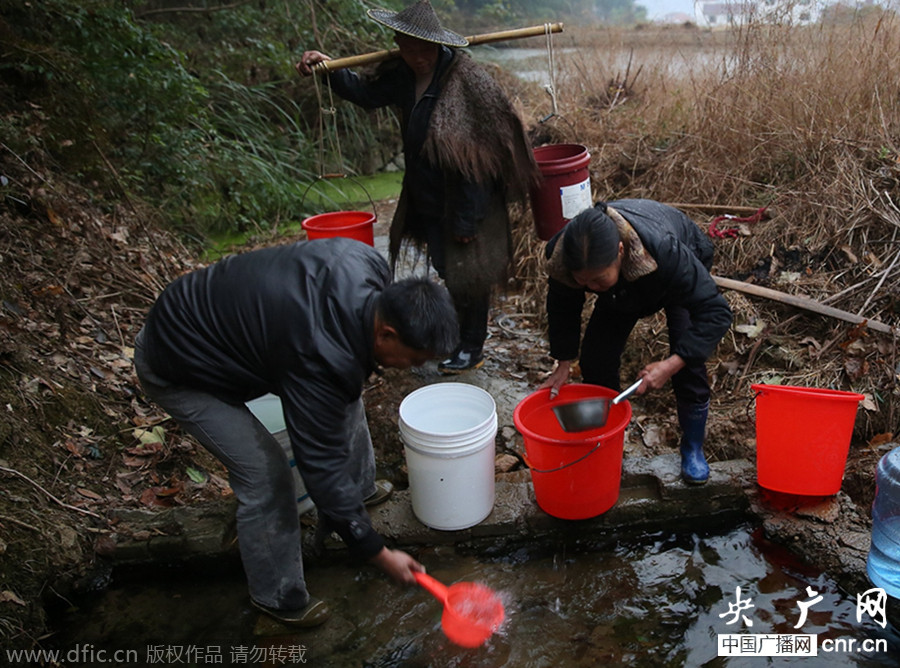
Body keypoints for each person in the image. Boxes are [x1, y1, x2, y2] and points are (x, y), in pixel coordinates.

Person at [133, 237, 459, 627]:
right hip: (179, 363)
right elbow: (320, 463)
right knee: (265, 474)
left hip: (232, 329)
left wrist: (346, 511)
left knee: (345, 391)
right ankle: (277, 595)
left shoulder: (365, 263)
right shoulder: (319, 355)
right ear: (386, 334)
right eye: (415, 359)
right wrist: (377, 552)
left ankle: (358, 494)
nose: (414, 368)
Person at [297, 0, 539, 373]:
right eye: (410, 49)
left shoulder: (465, 81)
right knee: (447, 268)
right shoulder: (402, 74)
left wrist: (466, 220)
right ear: (398, 44)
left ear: (439, 44)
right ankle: (456, 336)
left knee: (468, 274)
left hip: (466, 200)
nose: (419, 57)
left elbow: (481, 160)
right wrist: (328, 69)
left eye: (425, 49)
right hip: (427, 195)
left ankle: (471, 346)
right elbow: (366, 94)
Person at [539, 200, 733, 484]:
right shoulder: (563, 256)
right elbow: (563, 304)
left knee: (688, 361)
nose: (590, 288)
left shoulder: (667, 250)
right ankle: (605, 441)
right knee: (595, 359)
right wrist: (563, 362)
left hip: (673, 268)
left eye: (597, 280)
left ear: (620, 250)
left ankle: (692, 447)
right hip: (621, 287)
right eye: (583, 282)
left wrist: (671, 364)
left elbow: (716, 313)